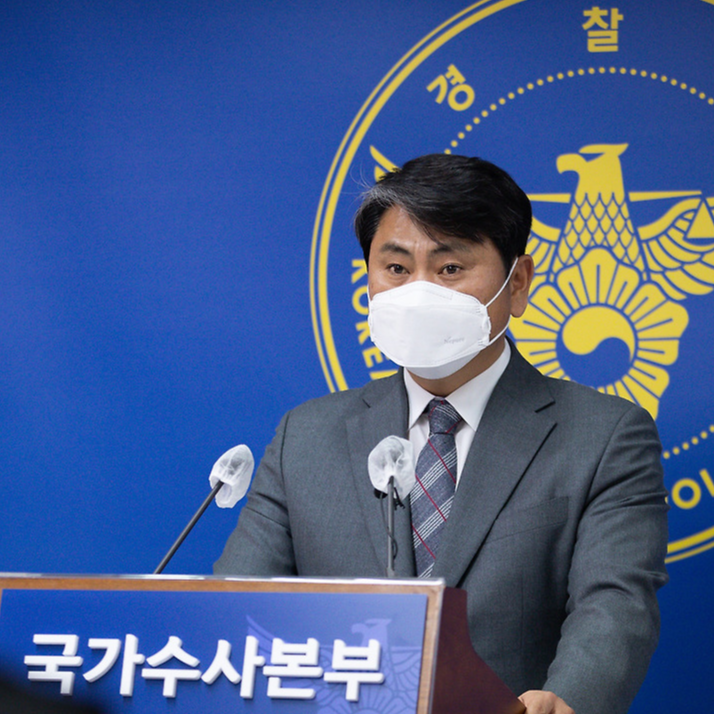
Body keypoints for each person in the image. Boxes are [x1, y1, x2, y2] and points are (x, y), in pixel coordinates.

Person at [215, 154, 669, 714]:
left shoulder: (604, 437)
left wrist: (567, 701)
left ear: (517, 282)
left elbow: (615, 605)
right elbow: (237, 611)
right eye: (396, 268)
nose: (419, 292)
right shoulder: (304, 438)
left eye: (450, 268)